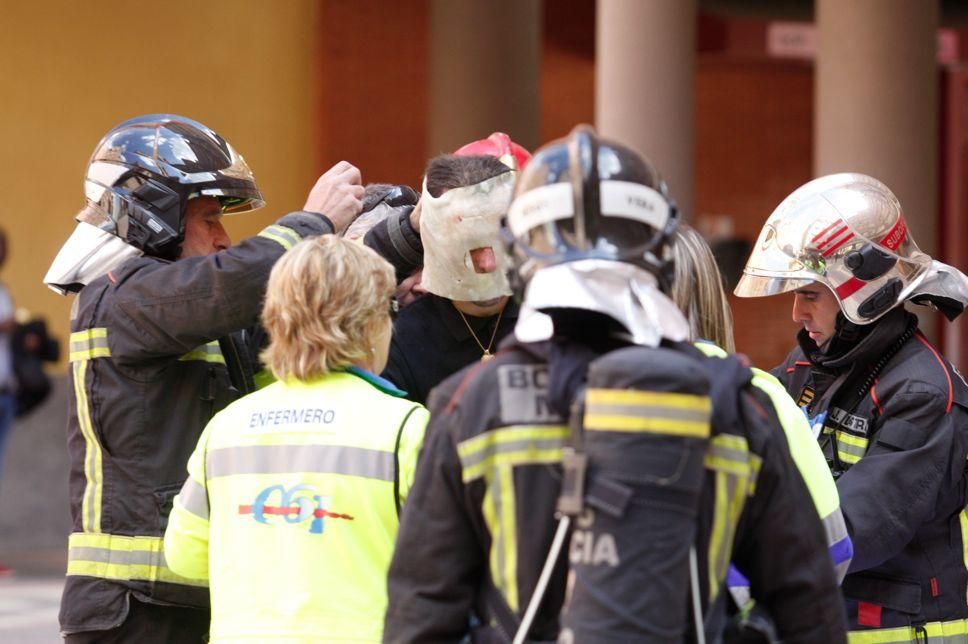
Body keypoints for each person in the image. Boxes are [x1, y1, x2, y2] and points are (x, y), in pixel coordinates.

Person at [385, 126, 847, 643]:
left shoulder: (470, 404)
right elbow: (812, 614)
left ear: (520, 250)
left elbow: (419, 622)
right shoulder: (733, 403)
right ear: (660, 251)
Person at [43, 114, 364, 642]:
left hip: (197, 596)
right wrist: (312, 225)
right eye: (210, 219)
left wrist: (398, 244)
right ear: (156, 217)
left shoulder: (190, 313)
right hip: (134, 610)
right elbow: (229, 284)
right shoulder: (120, 298)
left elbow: (293, 320)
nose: (223, 239)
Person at [734, 172, 968, 640]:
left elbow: (855, 527)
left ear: (859, 290)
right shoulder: (809, 366)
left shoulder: (922, 393)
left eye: (809, 294)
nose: (797, 313)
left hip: (897, 630)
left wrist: (730, 556)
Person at [164, 235, 428, 642]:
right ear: (371, 322)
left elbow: (184, 557)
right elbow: (457, 564)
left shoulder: (226, 427)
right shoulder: (407, 427)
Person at [671, 224, 851, 612]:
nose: (796, 312)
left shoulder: (577, 388)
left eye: (809, 295)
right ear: (707, 296)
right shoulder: (759, 393)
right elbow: (830, 547)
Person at [381, 148, 524, 404]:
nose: (487, 264)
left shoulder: (551, 323)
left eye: (496, 242)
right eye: (468, 245)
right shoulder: (403, 340)